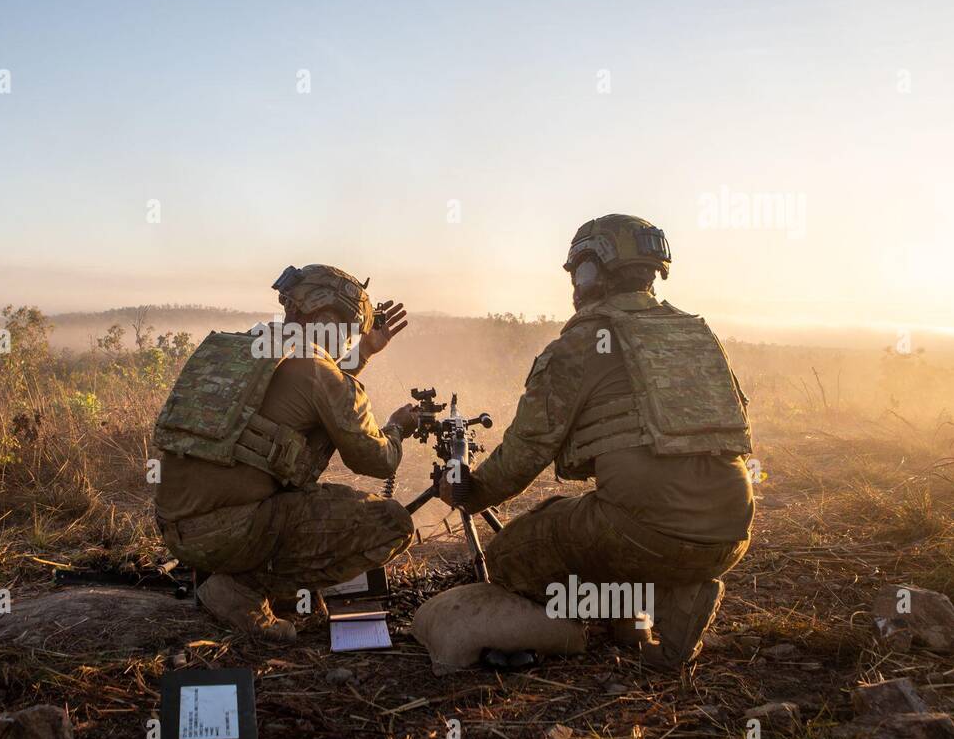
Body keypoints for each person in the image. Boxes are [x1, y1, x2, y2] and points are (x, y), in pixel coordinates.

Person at [441, 215, 754, 668]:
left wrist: (469, 493)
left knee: (510, 556)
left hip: (645, 531)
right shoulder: (695, 334)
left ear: (590, 271)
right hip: (729, 535)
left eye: (577, 271)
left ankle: (651, 599)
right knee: (609, 518)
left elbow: (525, 452)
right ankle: (665, 600)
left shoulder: (585, 341)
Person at [153, 264, 418, 641]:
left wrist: (365, 351)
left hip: (177, 528)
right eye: (350, 332)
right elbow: (377, 460)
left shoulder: (249, 346)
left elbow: (306, 388)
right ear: (329, 318)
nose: (347, 342)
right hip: (229, 536)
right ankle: (242, 589)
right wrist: (397, 429)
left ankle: (251, 581)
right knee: (393, 524)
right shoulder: (321, 374)